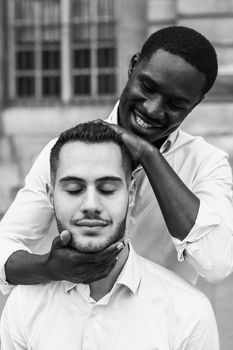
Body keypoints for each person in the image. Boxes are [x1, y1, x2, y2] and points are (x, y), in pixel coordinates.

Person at [0, 26, 233, 294]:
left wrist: (149, 156)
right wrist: (48, 267)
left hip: (157, 329)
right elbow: (5, 243)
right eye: (148, 87)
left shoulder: (207, 163)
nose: (152, 109)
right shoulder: (64, 151)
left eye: (175, 104)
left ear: (195, 103)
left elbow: (217, 264)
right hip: (71, 325)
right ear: (133, 66)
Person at [0, 122, 219, 350]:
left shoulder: (189, 314)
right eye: (74, 189)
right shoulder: (23, 305)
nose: (91, 205)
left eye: (107, 189)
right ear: (50, 196)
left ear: (131, 194)